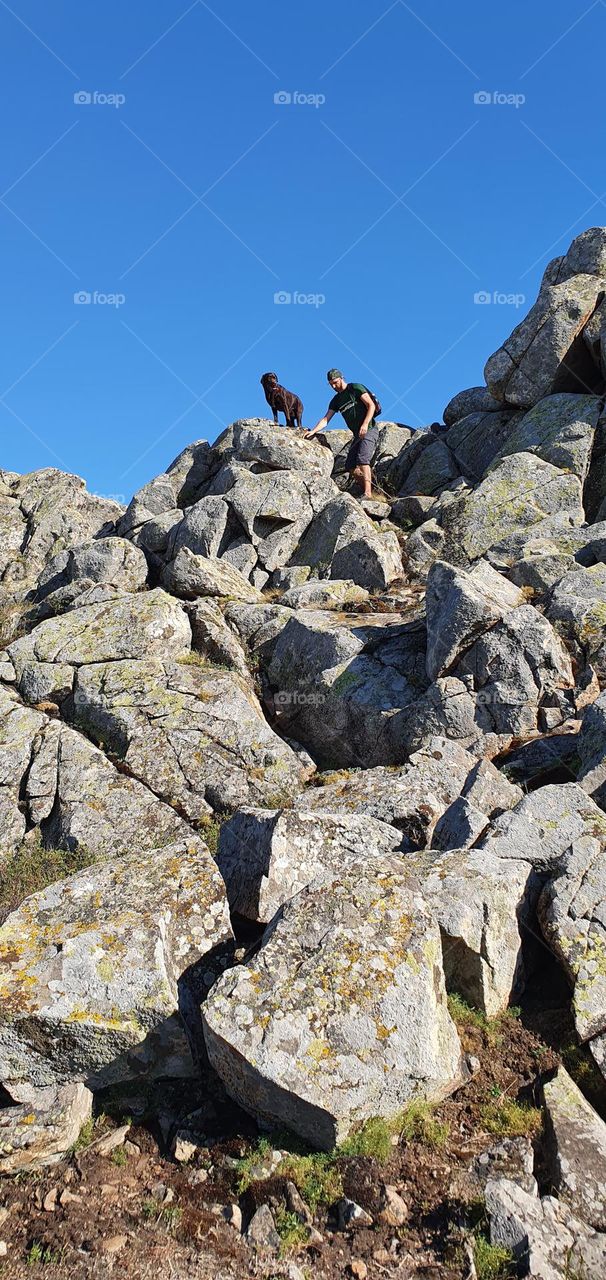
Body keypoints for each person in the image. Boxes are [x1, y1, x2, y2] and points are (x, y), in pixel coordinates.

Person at [304, 369, 378, 500]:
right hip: (357, 435)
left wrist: (365, 424)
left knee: (362, 460)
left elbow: (370, 405)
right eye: (331, 384)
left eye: (335, 382)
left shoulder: (355, 388)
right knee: (350, 465)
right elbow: (326, 419)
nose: (333, 386)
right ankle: (373, 489)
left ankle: (368, 494)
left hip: (369, 429)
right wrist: (314, 431)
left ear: (342, 378)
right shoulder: (336, 400)